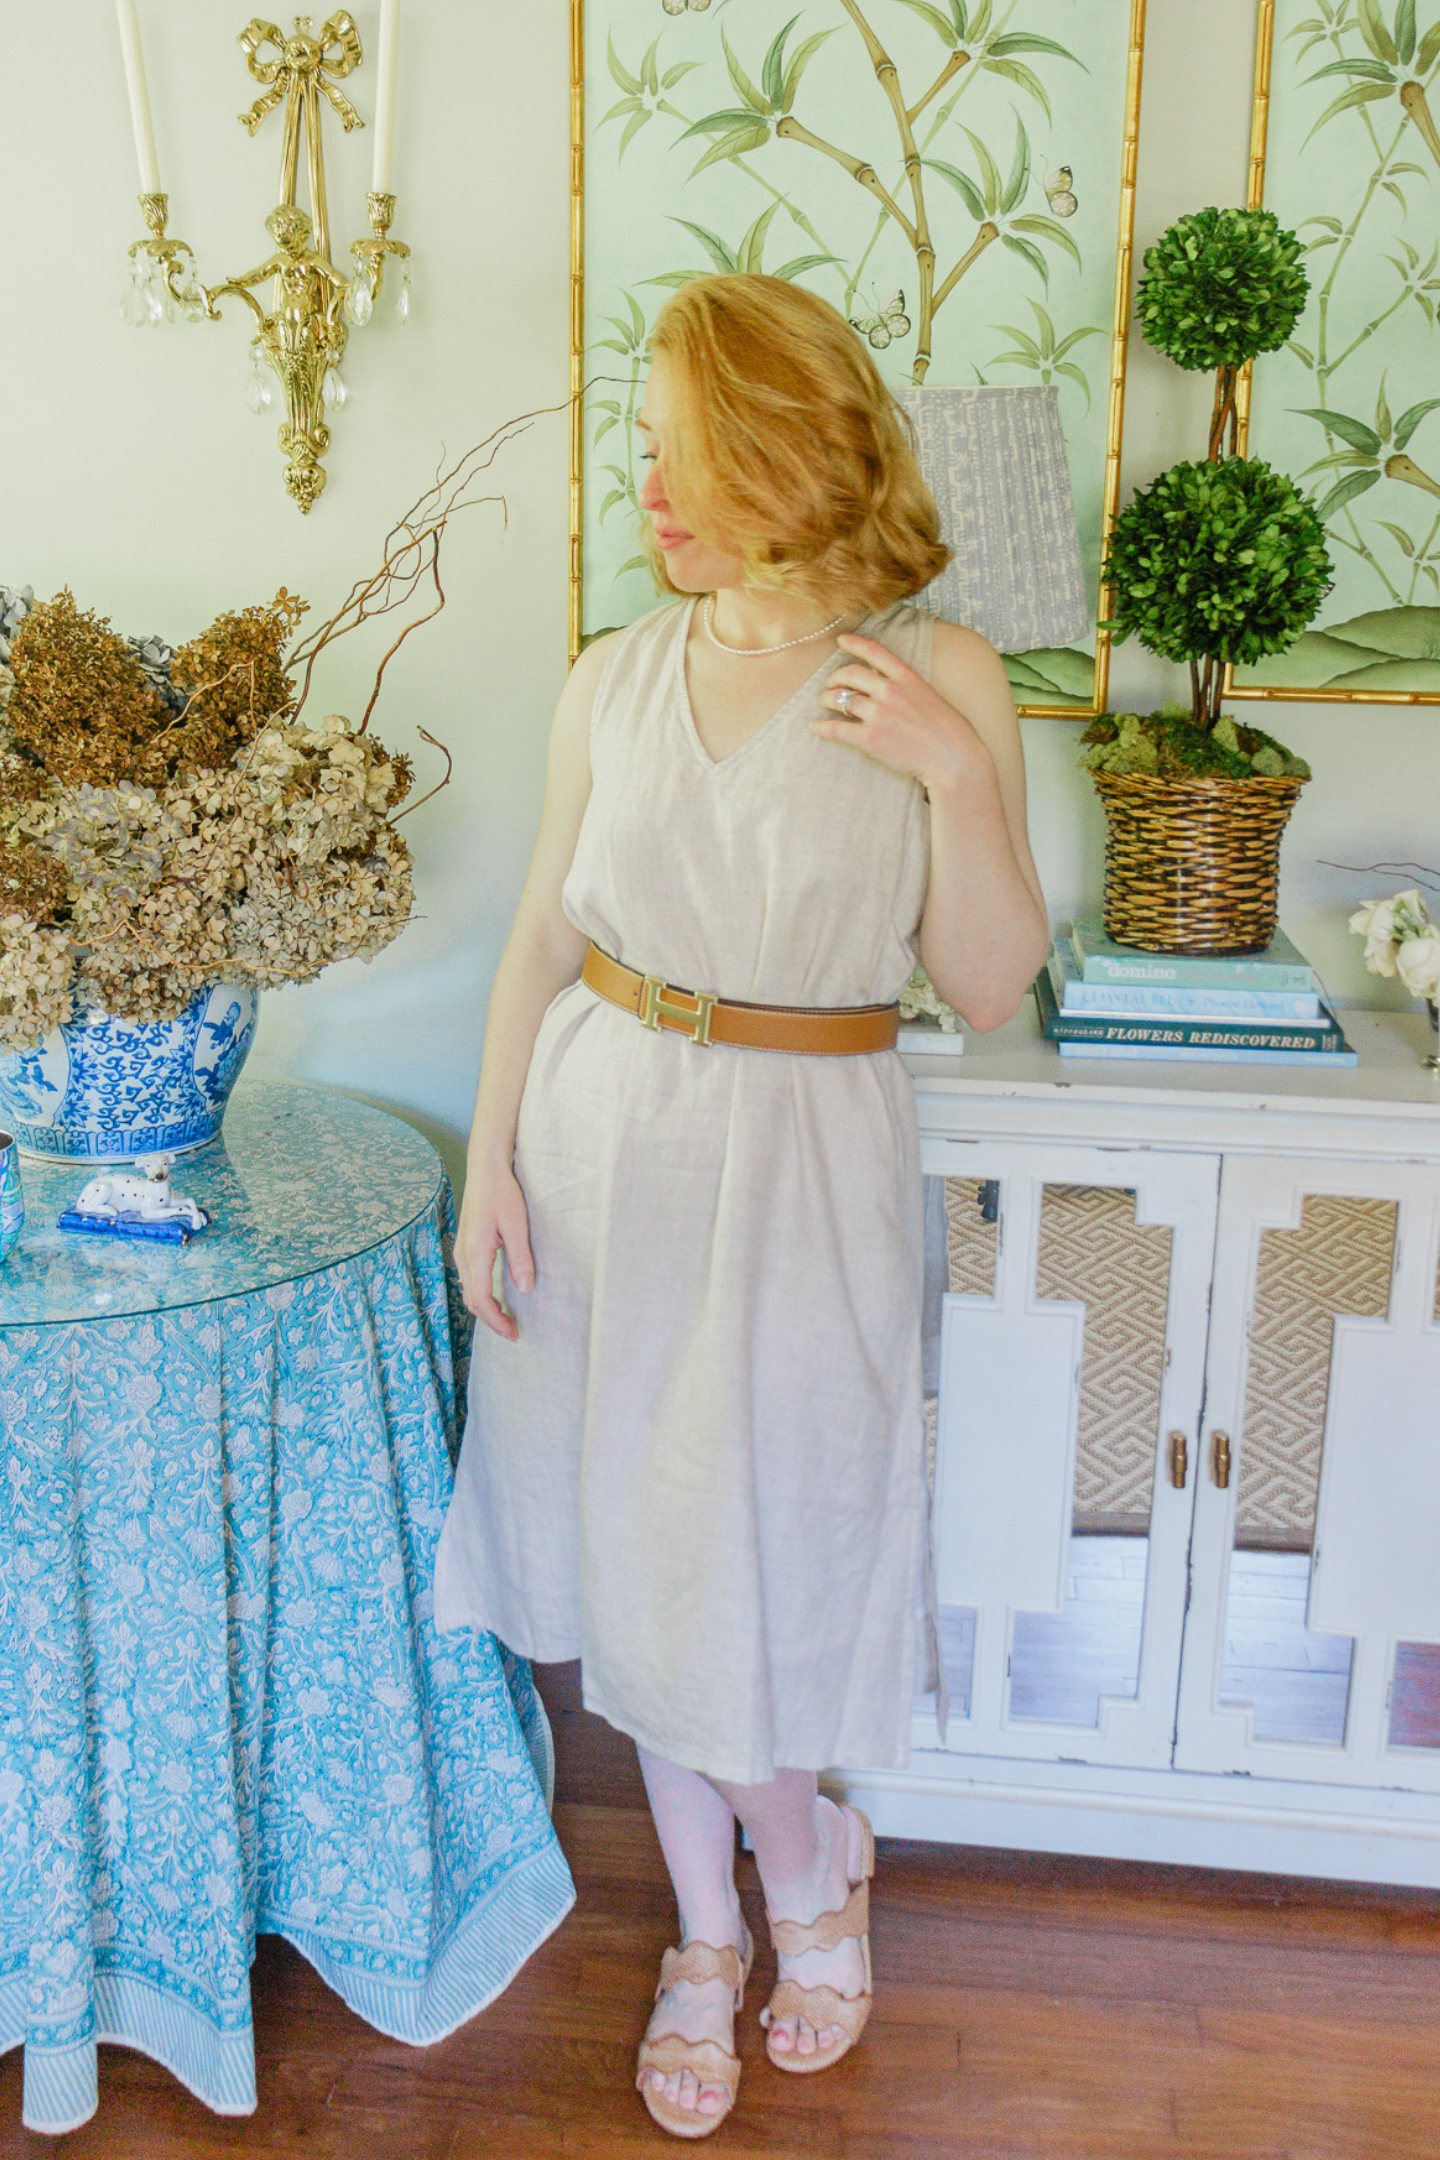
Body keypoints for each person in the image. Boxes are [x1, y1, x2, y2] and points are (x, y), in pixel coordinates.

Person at [434, 272, 1048, 2139]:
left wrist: (953, 781)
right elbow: (542, 933)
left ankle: (805, 1873)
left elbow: (997, 979)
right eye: (646, 456)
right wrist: (488, 1166)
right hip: (600, 1144)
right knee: (631, 1558)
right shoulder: (615, 674)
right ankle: (722, 1922)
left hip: (806, 1169)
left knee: (753, 1558)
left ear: (787, 457)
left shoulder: (938, 676)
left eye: (685, 459)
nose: (653, 495)